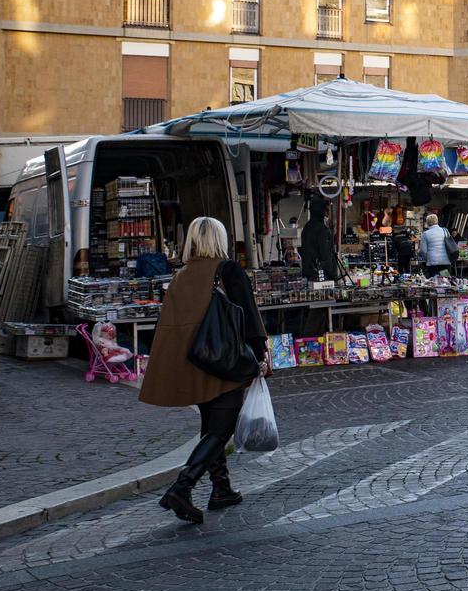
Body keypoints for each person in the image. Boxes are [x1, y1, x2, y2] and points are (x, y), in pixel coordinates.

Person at [140, 217, 269, 525]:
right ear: (219, 239)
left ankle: (221, 489)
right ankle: (182, 487)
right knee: (221, 429)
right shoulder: (228, 270)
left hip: (195, 363)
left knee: (212, 425)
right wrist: (261, 354)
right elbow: (248, 315)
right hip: (226, 362)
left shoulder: (181, 276)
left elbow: (172, 327)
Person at [299, 198, 338, 281]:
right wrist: (332, 273)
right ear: (321, 211)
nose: (327, 214)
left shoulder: (307, 227)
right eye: (326, 211)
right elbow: (326, 253)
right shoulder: (322, 229)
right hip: (321, 274)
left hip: (308, 272)